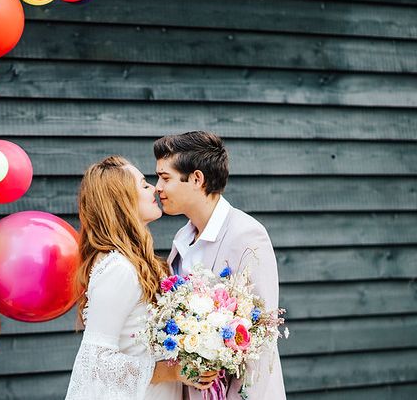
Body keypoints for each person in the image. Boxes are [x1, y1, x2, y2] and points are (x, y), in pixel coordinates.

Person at [65, 156, 217, 400]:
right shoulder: (119, 269)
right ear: (122, 200)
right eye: (144, 184)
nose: (155, 188)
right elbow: (96, 361)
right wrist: (172, 371)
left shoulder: (139, 263)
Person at [154, 132, 286, 400]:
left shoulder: (247, 235)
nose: (157, 187)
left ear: (196, 179)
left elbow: (260, 342)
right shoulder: (182, 240)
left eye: (165, 178)